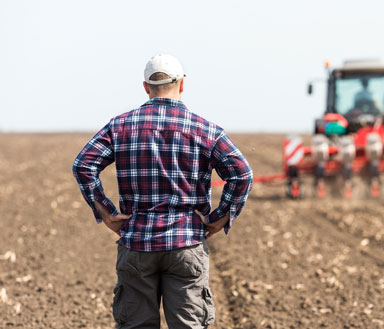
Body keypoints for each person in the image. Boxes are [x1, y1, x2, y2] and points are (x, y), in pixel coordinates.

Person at [72, 54, 253, 328]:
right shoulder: (206, 130)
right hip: (187, 243)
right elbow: (242, 173)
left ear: (145, 87)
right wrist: (220, 217)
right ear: (182, 84)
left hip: (137, 243)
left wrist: (108, 214)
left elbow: (83, 165)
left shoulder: (120, 126)